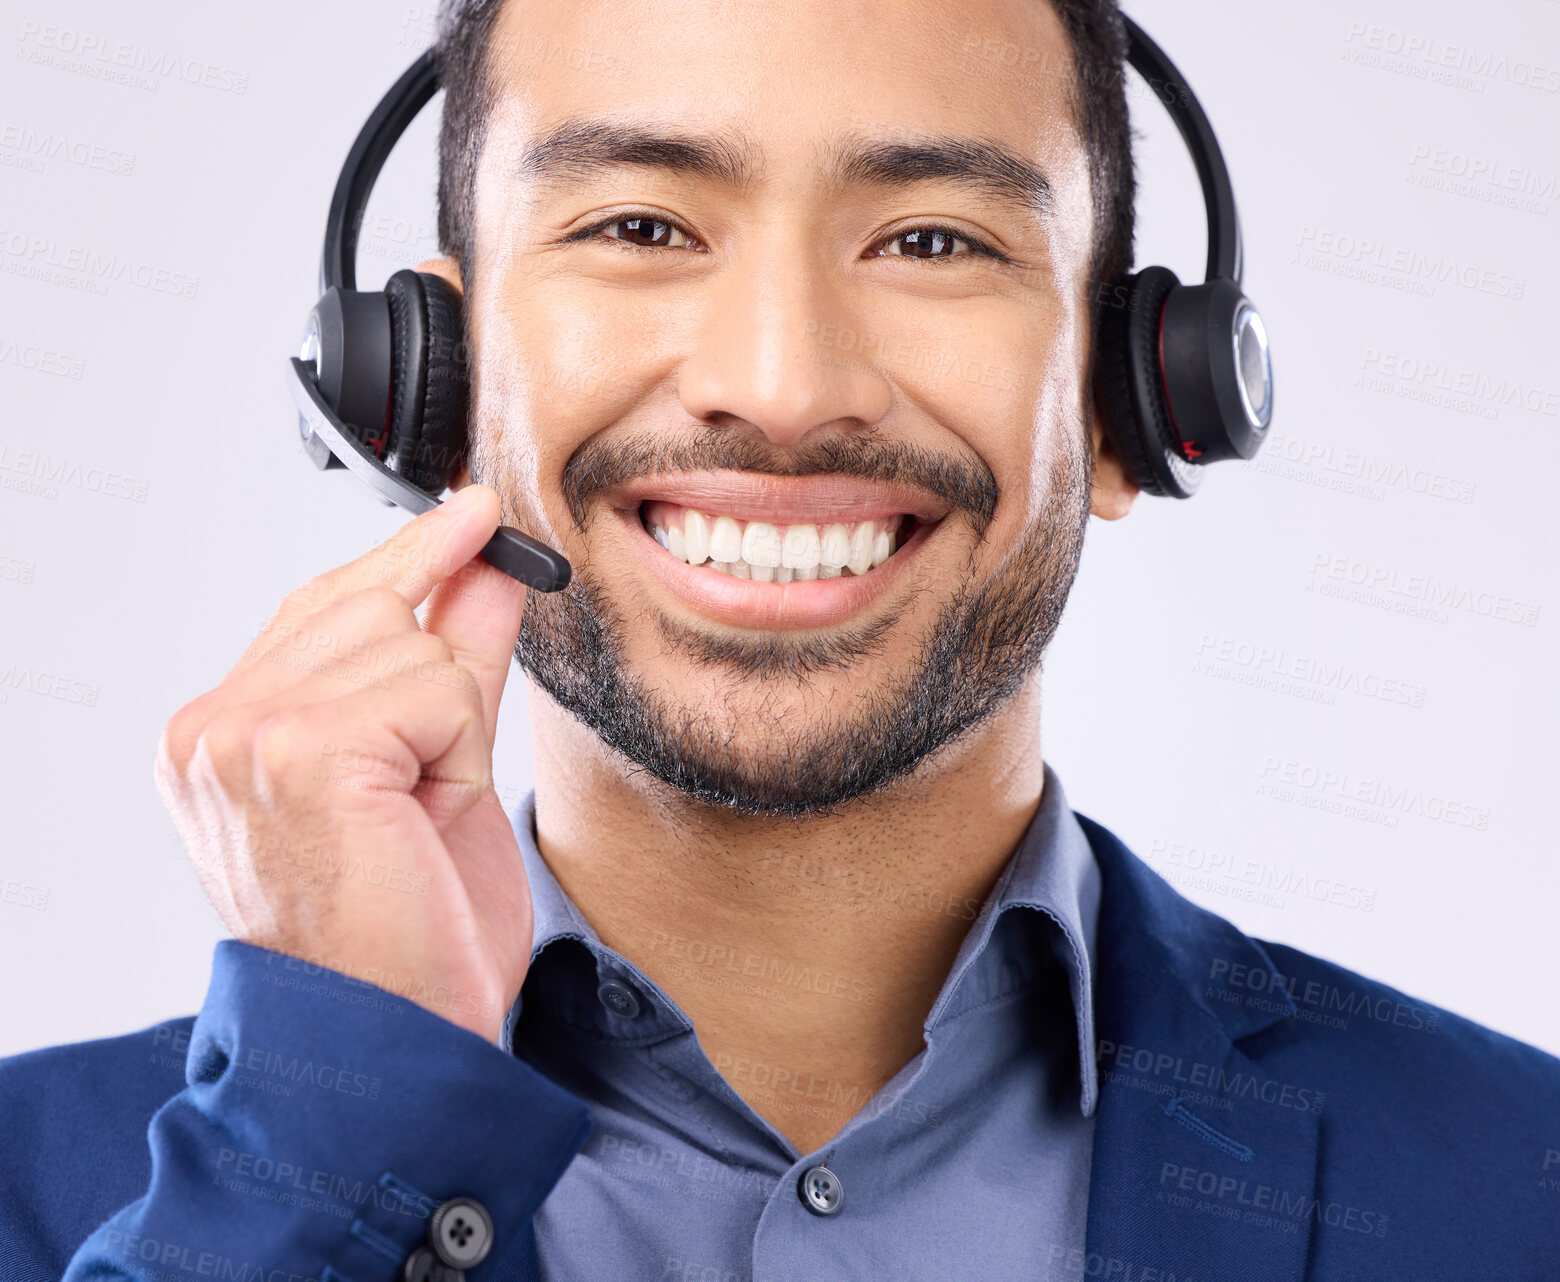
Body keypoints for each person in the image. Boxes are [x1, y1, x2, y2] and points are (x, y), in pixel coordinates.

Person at [3, 0, 1557, 1277]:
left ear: (1138, 400)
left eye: (937, 241)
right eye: (639, 222)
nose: (786, 382)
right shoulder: (40, 1191)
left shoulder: (1516, 1188)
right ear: (423, 387)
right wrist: (318, 1149)